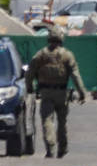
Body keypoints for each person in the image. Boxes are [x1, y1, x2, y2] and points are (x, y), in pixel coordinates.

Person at [24, 26, 87, 158]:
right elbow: (75, 75)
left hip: (46, 93)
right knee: (62, 122)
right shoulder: (67, 55)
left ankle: (51, 148)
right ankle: (62, 148)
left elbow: (29, 73)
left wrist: (29, 87)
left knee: (47, 120)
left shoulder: (41, 55)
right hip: (62, 93)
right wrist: (82, 93)